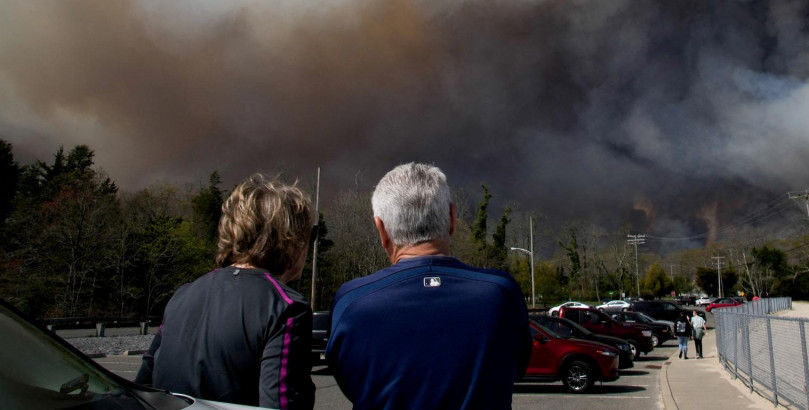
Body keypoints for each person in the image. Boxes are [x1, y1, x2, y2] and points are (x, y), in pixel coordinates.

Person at [326, 162, 532, 409]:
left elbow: (349, 381)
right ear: (452, 218)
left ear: (381, 229)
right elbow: (516, 366)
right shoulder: (501, 294)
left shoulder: (352, 302)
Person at [136, 174, 316, 409]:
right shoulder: (287, 308)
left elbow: (142, 387)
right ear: (290, 239)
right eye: (306, 238)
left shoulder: (183, 294)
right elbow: (282, 403)